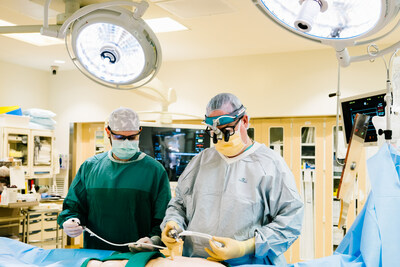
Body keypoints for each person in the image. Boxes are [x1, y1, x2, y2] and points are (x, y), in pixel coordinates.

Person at [160, 93, 304, 266]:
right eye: (214, 133)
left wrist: (245, 247)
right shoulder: (201, 161)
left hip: (249, 262)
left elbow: (290, 220)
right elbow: (179, 203)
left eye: (226, 131)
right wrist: (173, 223)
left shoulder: (270, 164)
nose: (219, 139)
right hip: (199, 261)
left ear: (244, 121)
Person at [58, 107, 171, 252]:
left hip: (138, 256)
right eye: (119, 137)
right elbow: (73, 207)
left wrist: (153, 240)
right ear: (108, 132)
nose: (126, 143)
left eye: (131, 137)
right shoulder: (90, 167)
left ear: (139, 132)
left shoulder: (155, 171)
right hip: (97, 255)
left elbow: (164, 219)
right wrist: (70, 221)